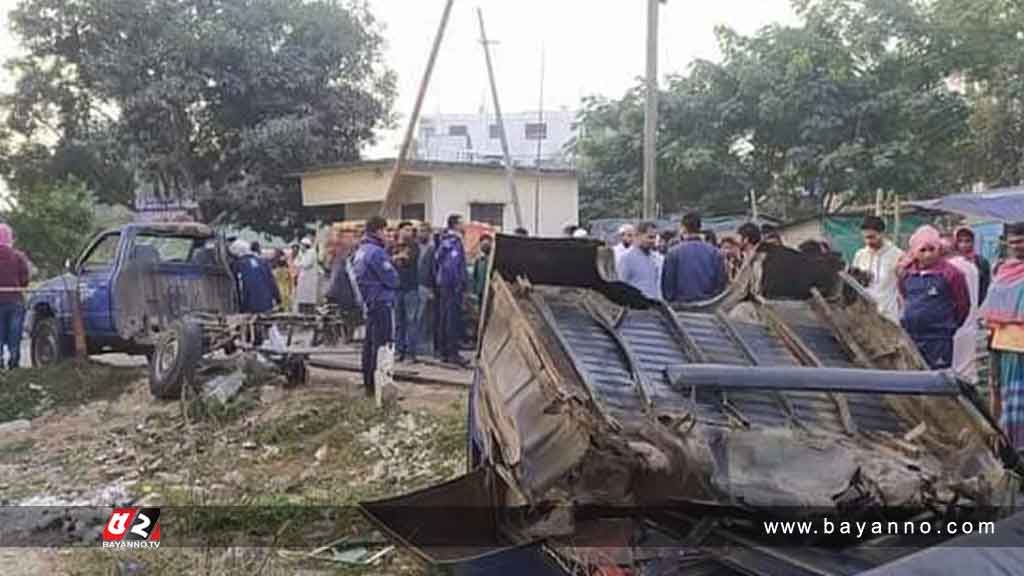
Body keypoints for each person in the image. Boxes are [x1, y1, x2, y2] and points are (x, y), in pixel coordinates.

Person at [898, 226, 970, 370]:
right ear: (914, 251)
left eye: (932, 249)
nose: (928, 254)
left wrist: (947, 325)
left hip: (939, 338)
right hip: (911, 336)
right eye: (922, 250)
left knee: (937, 379)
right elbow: (904, 296)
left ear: (939, 249)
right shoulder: (907, 273)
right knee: (912, 375)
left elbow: (963, 305)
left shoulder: (952, 274)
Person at [981, 222, 1024, 451]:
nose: (1017, 246)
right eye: (1013, 242)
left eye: (1021, 241)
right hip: (1002, 341)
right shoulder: (1002, 268)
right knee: (1003, 395)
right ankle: (1010, 447)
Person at [353, 216, 399, 397]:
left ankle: (369, 385)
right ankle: (383, 387)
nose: (388, 235)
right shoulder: (377, 253)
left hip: (369, 303)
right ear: (378, 231)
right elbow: (392, 279)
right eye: (386, 231)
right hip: (382, 302)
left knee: (370, 346)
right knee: (384, 346)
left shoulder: (361, 251)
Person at [662, 212, 727, 303]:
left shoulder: (673, 253)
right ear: (700, 227)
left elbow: (668, 287)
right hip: (709, 306)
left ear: (683, 228)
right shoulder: (714, 253)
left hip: (681, 309)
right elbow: (721, 283)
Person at [851, 216, 905, 323]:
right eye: (865, 237)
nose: (868, 241)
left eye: (872, 237)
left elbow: (903, 287)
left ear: (882, 234)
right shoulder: (860, 255)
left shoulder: (897, 255)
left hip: (888, 315)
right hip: (864, 315)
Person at [944, 235, 981, 384]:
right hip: (968, 321)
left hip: (953, 322)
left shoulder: (948, 268)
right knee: (966, 366)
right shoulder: (971, 265)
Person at [435, 214, 470, 367]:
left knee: (444, 317)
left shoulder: (444, 241)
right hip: (451, 285)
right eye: (462, 223)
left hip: (444, 284)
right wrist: (457, 283)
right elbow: (452, 265)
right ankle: (452, 353)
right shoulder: (454, 242)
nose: (465, 225)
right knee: (452, 319)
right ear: (455, 225)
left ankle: (444, 352)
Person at [0, 224, 30, 369]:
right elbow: (25, 280)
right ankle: (14, 361)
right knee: (15, 333)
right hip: (15, 300)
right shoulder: (18, 256)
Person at [394, 221, 421, 363]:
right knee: (399, 322)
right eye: (406, 229)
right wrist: (397, 257)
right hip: (397, 289)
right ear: (399, 231)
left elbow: (407, 259)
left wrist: (397, 258)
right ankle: (399, 351)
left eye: (411, 230)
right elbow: (389, 261)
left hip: (411, 289)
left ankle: (411, 354)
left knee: (411, 322)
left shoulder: (414, 246)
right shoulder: (392, 246)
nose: (408, 233)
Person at [229, 239, 281, 314]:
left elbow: (239, 287)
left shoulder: (238, 265)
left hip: (249, 305)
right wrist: (277, 298)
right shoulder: (262, 261)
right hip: (267, 304)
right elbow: (272, 282)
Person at [618, 221, 662, 300]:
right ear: (637, 236)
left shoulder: (656, 258)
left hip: (654, 306)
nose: (653, 241)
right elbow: (621, 286)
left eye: (654, 237)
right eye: (650, 237)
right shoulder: (626, 258)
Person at [955, 226, 992, 304]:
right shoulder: (953, 263)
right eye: (960, 241)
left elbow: (985, 287)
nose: (964, 245)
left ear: (973, 242)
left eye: (967, 241)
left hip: (976, 305)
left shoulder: (981, 262)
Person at [416, 222, 436, 358]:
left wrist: (432, 289)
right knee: (415, 318)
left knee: (426, 318)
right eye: (420, 231)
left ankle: (425, 346)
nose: (422, 234)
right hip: (414, 286)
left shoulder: (432, 249)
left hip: (426, 287)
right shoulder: (414, 248)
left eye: (425, 231)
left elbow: (433, 270)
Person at [294, 236, 320, 314]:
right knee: (302, 298)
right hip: (303, 280)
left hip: (309, 281)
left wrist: (299, 262)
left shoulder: (312, 253)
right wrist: (299, 260)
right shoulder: (302, 253)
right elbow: (295, 263)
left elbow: (306, 264)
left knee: (308, 299)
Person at [473, 234, 493, 303]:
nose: (485, 245)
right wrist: (476, 289)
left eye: (487, 243)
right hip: (481, 291)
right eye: (483, 243)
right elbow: (475, 275)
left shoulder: (493, 260)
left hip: (490, 292)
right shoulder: (479, 260)